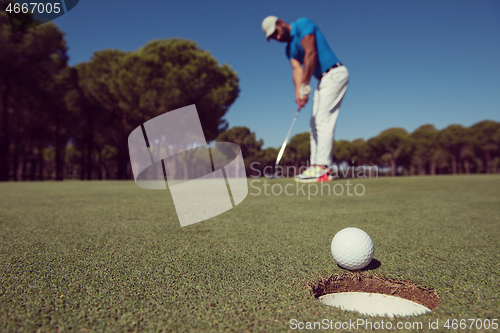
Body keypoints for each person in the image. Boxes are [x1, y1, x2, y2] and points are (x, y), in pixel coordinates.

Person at [262, 16, 349, 183]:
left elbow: (311, 54)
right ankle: (315, 165)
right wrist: (298, 94)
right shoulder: (289, 50)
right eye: (273, 37)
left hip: (335, 73)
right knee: (314, 123)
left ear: (280, 22)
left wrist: (305, 87)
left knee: (323, 119)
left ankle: (323, 168)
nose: (277, 38)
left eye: (276, 33)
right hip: (322, 80)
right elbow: (297, 70)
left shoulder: (302, 25)